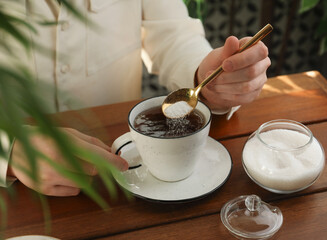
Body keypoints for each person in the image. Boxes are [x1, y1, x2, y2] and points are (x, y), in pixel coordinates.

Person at [0, 0, 270, 196]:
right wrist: (10, 153)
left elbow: (174, 36)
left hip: (122, 182)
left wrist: (206, 78)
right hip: (15, 192)